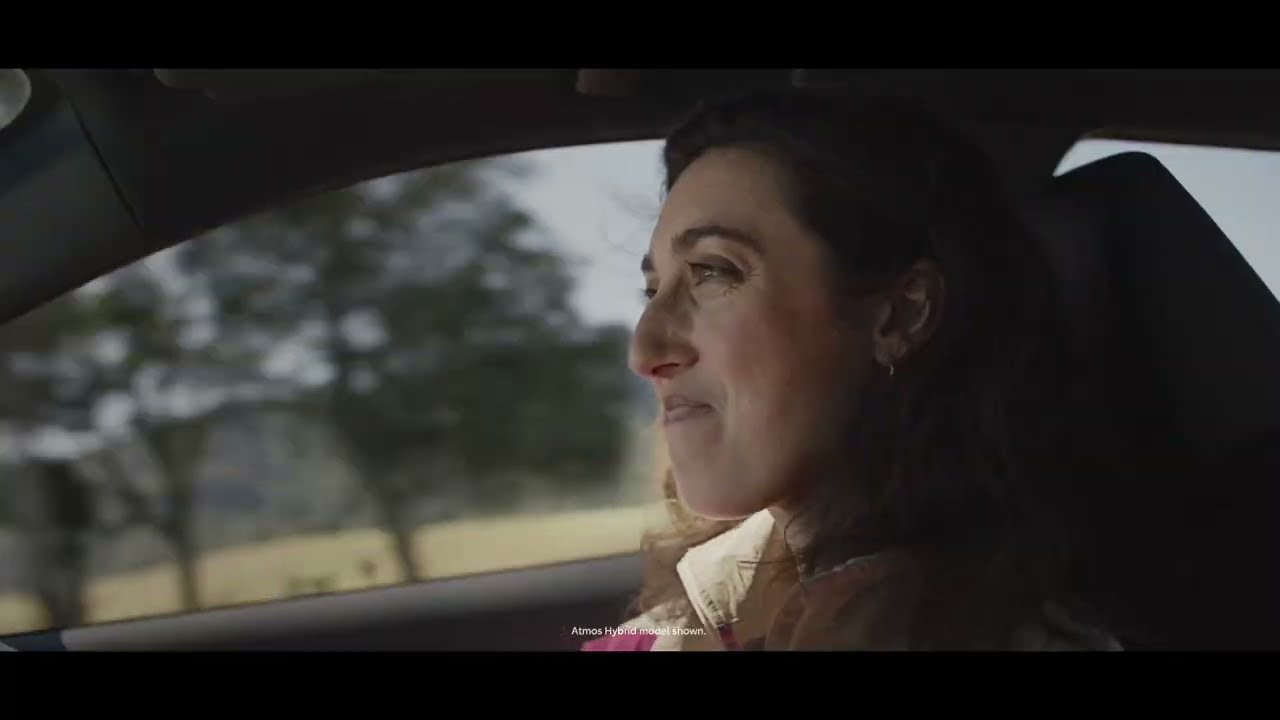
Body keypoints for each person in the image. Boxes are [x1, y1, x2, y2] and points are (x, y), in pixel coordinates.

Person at [581, 86, 1126, 651]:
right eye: (652, 289)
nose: (644, 350)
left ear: (899, 316)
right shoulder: (671, 627)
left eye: (714, 272)